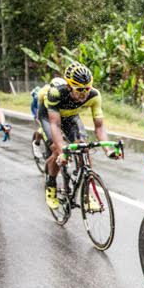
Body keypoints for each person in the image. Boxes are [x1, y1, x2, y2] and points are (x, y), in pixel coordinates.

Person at [35, 63, 117, 209]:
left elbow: (99, 126)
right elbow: (55, 125)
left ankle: (86, 194)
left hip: (71, 118)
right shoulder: (56, 93)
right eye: (79, 89)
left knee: (84, 147)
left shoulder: (94, 95)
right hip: (49, 118)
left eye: (87, 89)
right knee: (56, 149)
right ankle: (51, 186)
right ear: (68, 86)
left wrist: (108, 150)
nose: (84, 93)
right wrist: (62, 151)